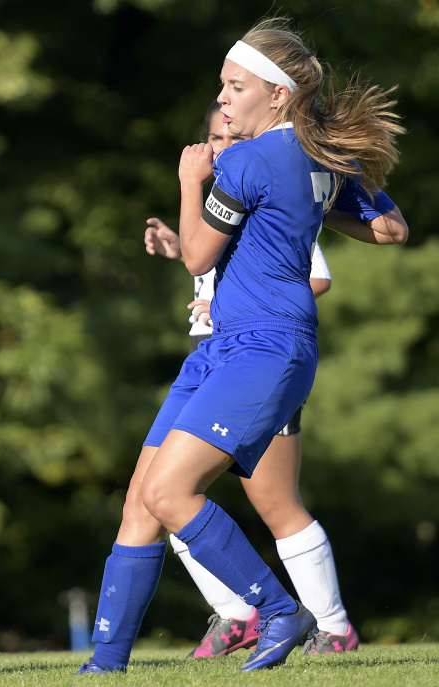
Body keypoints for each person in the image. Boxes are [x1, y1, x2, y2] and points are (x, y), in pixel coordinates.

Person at [77, 16, 407, 674]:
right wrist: (311, 208)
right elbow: (392, 229)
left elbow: (198, 250)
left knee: (172, 494)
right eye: (222, 87)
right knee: (143, 496)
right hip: (226, 348)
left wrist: (189, 179)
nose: (222, 98)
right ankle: (103, 666)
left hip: (262, 345)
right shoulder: (318, 155)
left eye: (235, 86)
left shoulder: (247, 159)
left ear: (277, 95)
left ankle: (276, 608)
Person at [144, 102, 357, 658]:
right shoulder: (226, 207)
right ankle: (239, 613)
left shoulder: (274, 196)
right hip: (220, 363)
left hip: (258, 362)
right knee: (172, 498)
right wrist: (177, 247)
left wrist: (240, 312)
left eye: (228, 137)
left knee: (272, 503)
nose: (220, 147)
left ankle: (331, 627)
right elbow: (210, 263)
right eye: (213, 138)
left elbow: (316, 276)